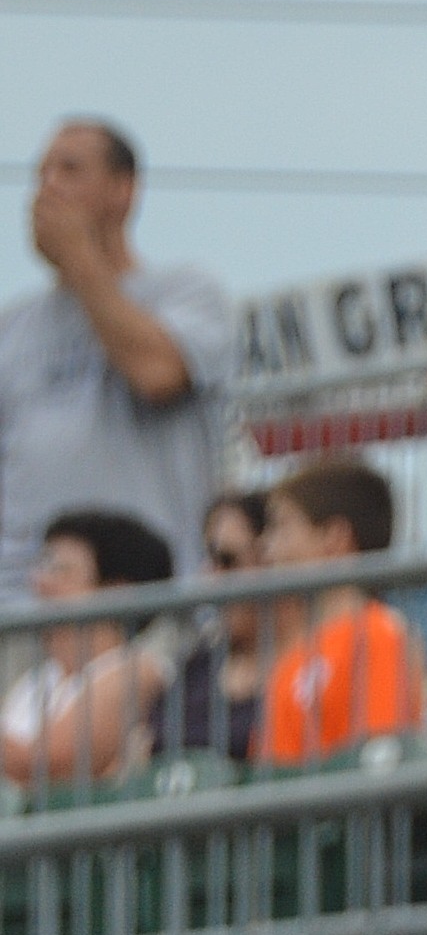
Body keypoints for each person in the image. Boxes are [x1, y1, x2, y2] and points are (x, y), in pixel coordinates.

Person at [0, 118, 233, 583]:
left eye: (70, 171)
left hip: (142, 596)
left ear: (123, 191)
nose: (48, 189)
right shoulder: (14, 327)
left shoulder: (186, 291)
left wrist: (82, 260)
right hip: (26, 605)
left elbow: (156, 373)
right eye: (41, 174)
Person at [254, 459, 427, 768]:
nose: (267, 547)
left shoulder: (380, 636)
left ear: (333, 537)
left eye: (282, 527)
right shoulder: (289, 658)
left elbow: (380, 763)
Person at [0, 507, 169, 789]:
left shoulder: (134, 669)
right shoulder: (39, 678)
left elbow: (50, 765)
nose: (40, 583)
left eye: (60, 569)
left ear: (116, 592)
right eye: (43, 566)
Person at [145, 487, 270, 765]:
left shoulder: (308, 672)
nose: (208, 578)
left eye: (227, 561)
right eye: (209, 559)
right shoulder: (194, 667)